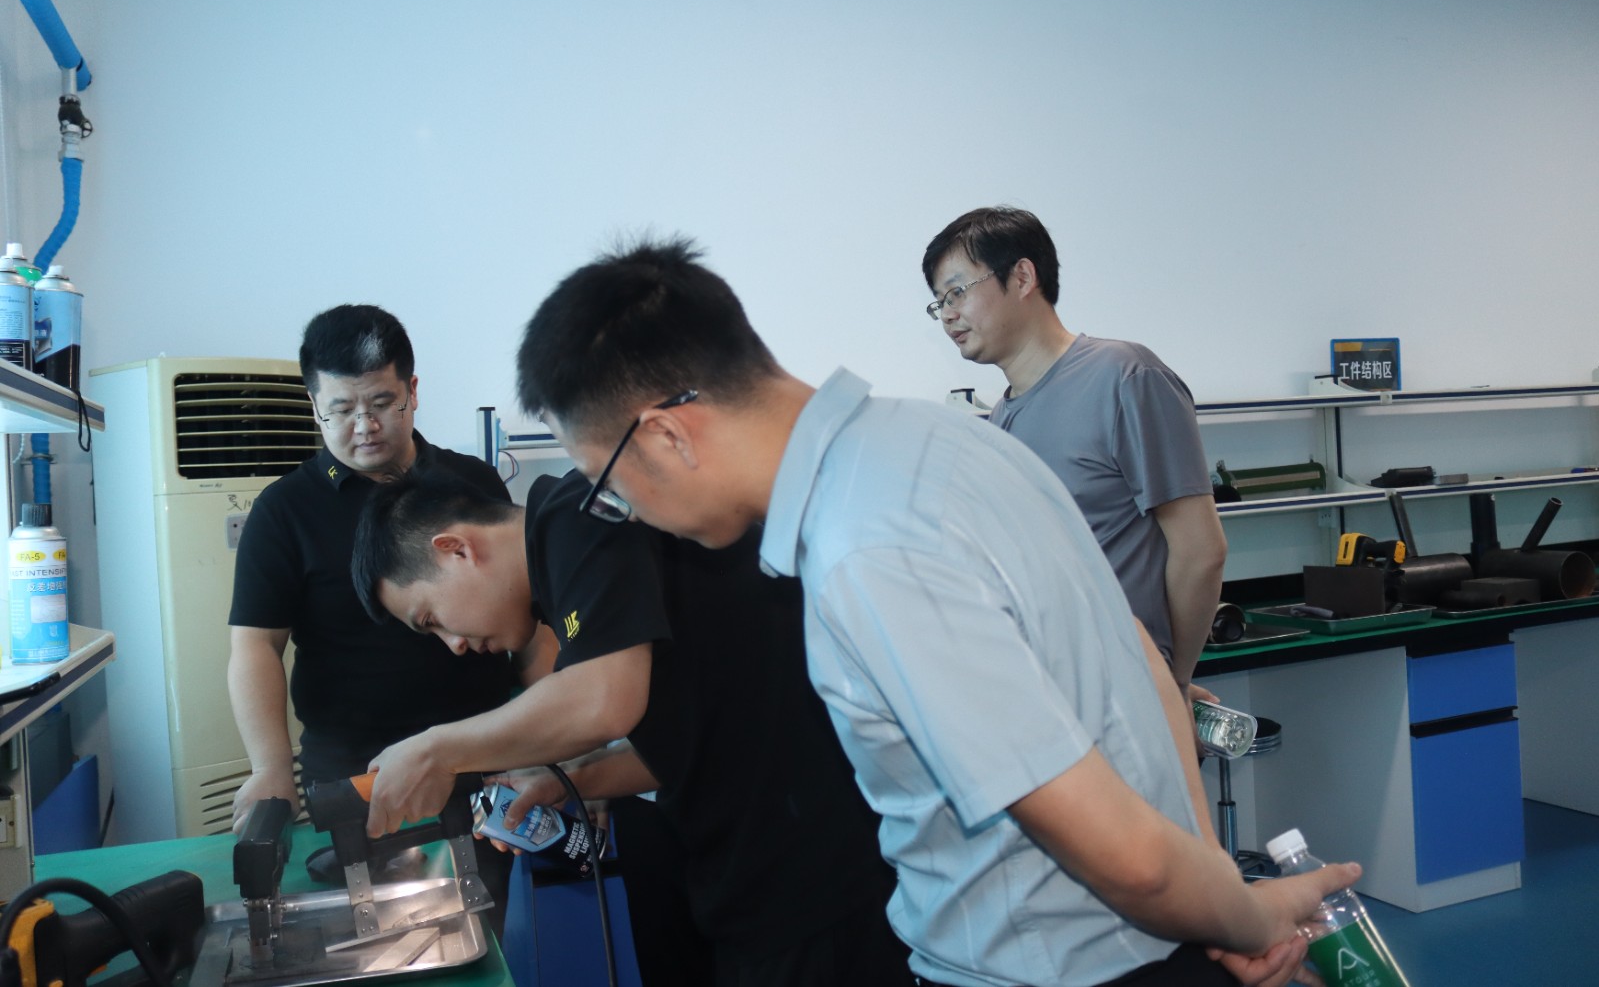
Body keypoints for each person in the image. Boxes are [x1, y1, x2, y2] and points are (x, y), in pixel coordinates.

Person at [515, 237, 1361, 987]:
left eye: (609, 488)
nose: (627, 513)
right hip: (1160, 936)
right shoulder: (948, 439)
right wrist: (1215, 890)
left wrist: (1250, 918)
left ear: (665, 437)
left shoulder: (866, 549)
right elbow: (1136, 655)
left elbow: (1132, 864)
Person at [350, 467, 912, 987]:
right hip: (752, 874)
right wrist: (570, 779)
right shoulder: (568, 574)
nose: (453, 644)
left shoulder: (576, 514)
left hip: (812, 873)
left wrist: (438, 751)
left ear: (455, 549)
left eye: (431, 619)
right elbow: (686, 734)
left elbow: (604, 701)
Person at [226, 304, 519, 932]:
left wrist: (540, 739)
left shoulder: (471, 482)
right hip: (358, 777)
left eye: (383, 403)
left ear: (412, 390)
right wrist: (270, 767)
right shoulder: (284, 511)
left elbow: (530, 613)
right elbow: (255, 647)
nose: (364, 426)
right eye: (341, 409)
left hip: (485, 755)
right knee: (374, 936)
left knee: (490, 934)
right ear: (314, 405)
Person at [922, 206, 1226, 690]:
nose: (948, 315)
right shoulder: (1001, 421)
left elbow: (1201, 551)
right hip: (1049, 691)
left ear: (1022, 277)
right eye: (939, 302)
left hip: (1127, 686)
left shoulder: (1125, 378)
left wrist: (1175, 683)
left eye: (957, 291)